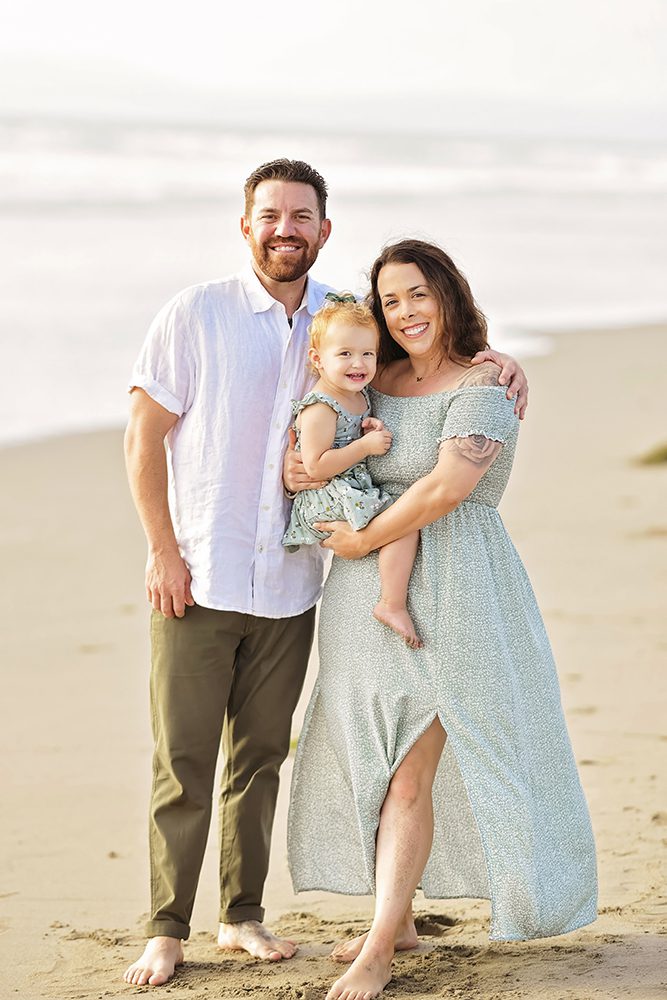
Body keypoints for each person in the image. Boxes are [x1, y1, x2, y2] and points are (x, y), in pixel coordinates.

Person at [122, 159, 529, 988]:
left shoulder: (345, 321)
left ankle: (240, 917)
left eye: (301, 216)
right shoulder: (196, 314)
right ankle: (167, 927)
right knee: (185, 759)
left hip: (295, 586)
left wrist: (499, 359)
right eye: (270, 214)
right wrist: (162, 551)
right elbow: (142, 437)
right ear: (246, 225)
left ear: (322, 229)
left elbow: (428, 356)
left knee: (261, 757)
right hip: (199, 576)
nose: (285, 229)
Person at [287, 239, 597, 1000]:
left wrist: (363, 537)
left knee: (409, 769)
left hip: (455, 585)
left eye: (418, 294)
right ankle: (396, 921)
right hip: (360, 596)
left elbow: (447, 488)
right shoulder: (371, 380)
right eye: (391, 300)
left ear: (447, 295)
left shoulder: (486, 384)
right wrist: (300, 464)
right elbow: (319, 426)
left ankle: (380, 949)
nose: (404, 312)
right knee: (378, 759)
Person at [282, 293, 422, 648]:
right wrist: (363, 447)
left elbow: (350, 431)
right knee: (402, 523)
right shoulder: (320, 405)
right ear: (317, 359)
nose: (357, 363)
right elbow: (315, 466)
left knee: (402, 520)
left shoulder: (356, 394)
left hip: (346, 486)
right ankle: (391, 604)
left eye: (367, 354)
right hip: (324, 496)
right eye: (344, 354)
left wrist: (366, 427)